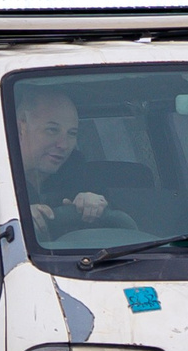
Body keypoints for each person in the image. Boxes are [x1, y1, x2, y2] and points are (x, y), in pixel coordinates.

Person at [16, 87, 142, 240]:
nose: (64, 145)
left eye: (72, 133)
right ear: (21, 128)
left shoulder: (78, 172)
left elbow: (123, 229)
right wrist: (16, 217)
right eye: (52, 130)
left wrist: (97, 205)